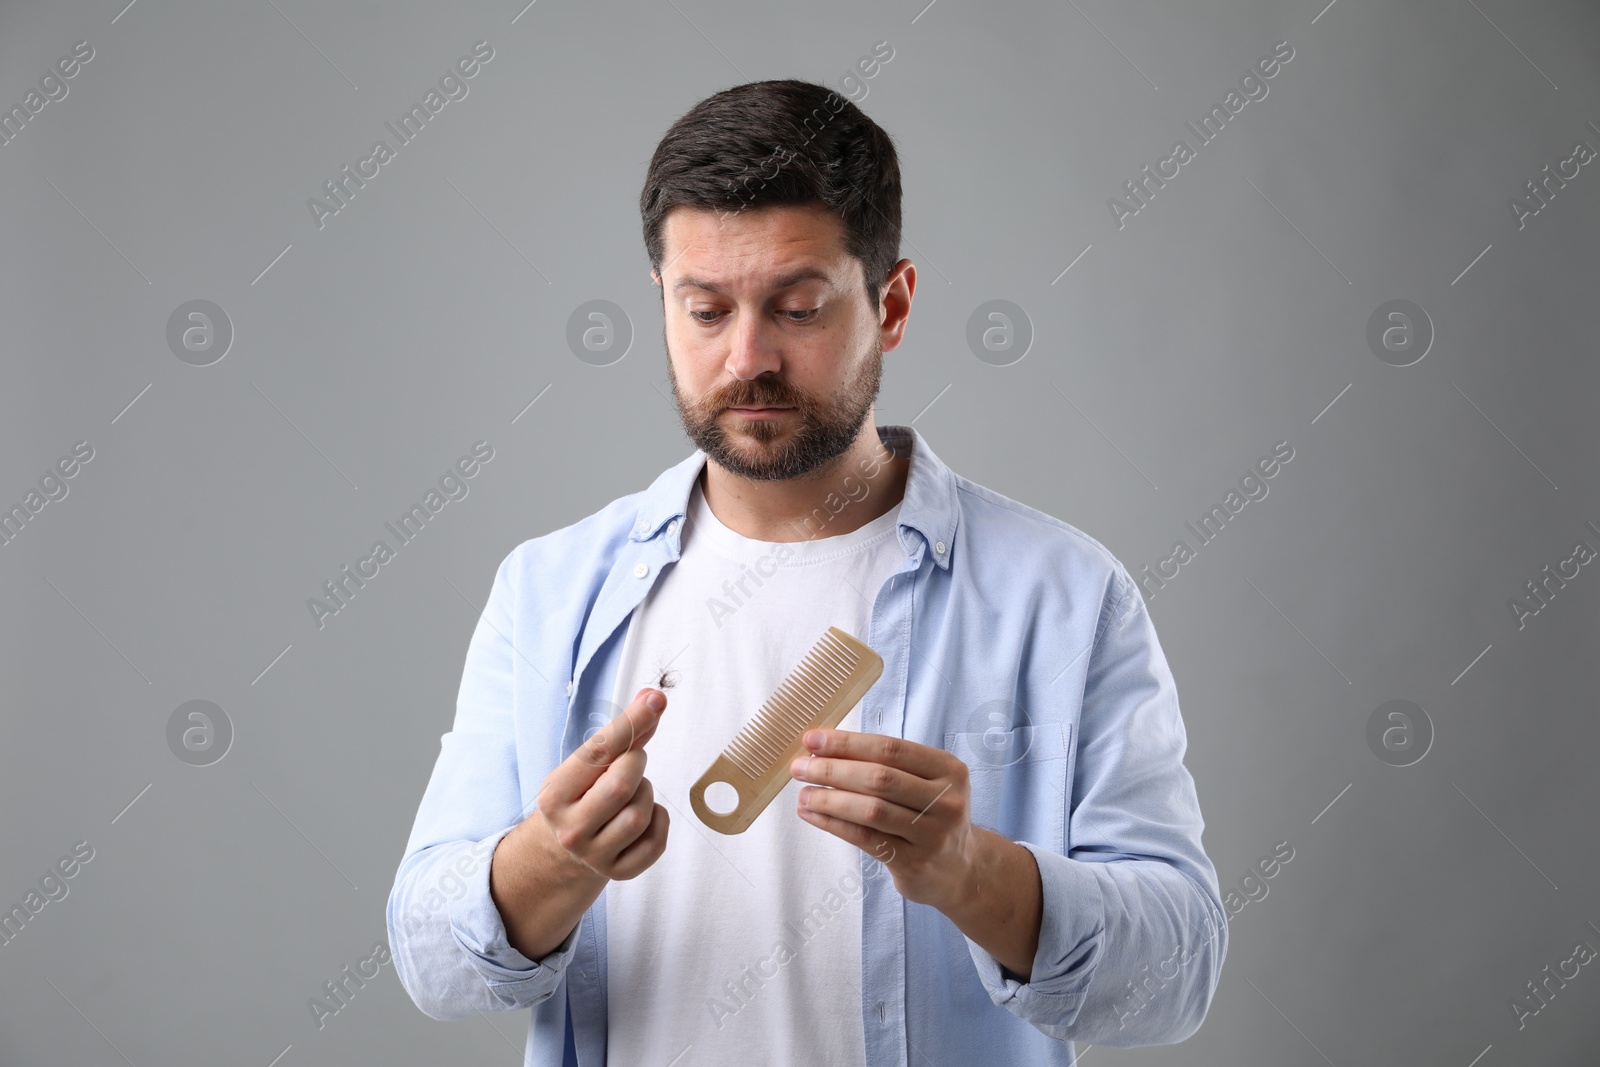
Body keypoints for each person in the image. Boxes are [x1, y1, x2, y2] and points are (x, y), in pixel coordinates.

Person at [387, 78, 1226, 1066]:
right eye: (705, 310)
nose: (748, 358)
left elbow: (1177, 978)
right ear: (661, 302)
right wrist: (547, 862)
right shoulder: (551, 592)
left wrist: (970, 871)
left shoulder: (1064, 597)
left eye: (797, 307)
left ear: (893, 303)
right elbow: (429, 961)